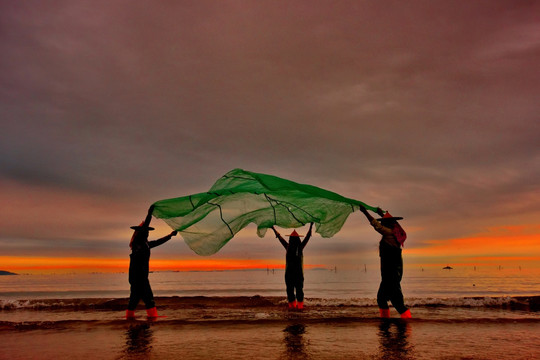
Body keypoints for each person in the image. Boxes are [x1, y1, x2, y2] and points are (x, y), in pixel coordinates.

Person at [126, 204, 177, 319]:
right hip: (137, 276)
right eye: (146, 231)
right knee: (147, 297)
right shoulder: (137, 243)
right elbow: (146, 226)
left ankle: (130, 319)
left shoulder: (146, 244)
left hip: (139, 276)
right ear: (141, 233)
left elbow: (159, 242)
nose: (148, 233)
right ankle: (153, 318)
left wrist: (170, 235)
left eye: (148, 232)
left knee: (135, 297)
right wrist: (149, 214)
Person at [359, 205, 411, 319]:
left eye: (384, 222)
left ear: (387, 224)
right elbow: (393, 223)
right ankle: (385, 322)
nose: (382, 224)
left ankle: (407, 324)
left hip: (390, 274)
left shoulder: (389, 233)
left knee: (397, 302)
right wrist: (381, 214)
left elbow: (376, 226)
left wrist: (365, 212)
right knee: (381, 298)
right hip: (392, 272)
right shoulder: (399, 232)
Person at [271, 223, 313, 310]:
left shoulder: (289, 247)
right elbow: (308, 236)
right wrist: (311, 225)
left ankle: (294, 308)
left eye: (291, 239)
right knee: (296, 291)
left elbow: (279, 237)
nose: (291, 240)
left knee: (292, 291)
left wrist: (273, 228)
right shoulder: (297, 247)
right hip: (296, 274)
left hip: (290, 274)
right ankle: (298, 308)